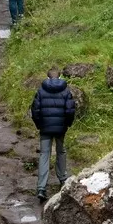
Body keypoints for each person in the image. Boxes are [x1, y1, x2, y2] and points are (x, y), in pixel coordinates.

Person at [30, 69, 78, 198]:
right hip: (60, 129)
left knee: (44, 154)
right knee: (61, 151)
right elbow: (70, 111)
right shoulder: (66, 91)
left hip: (45, 128)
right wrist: (67, 125)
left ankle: (41, 188)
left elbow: (35, 110)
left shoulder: (40, 91)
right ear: (60, 77)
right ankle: (62, 179)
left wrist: (39, 125)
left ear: (47, 77)